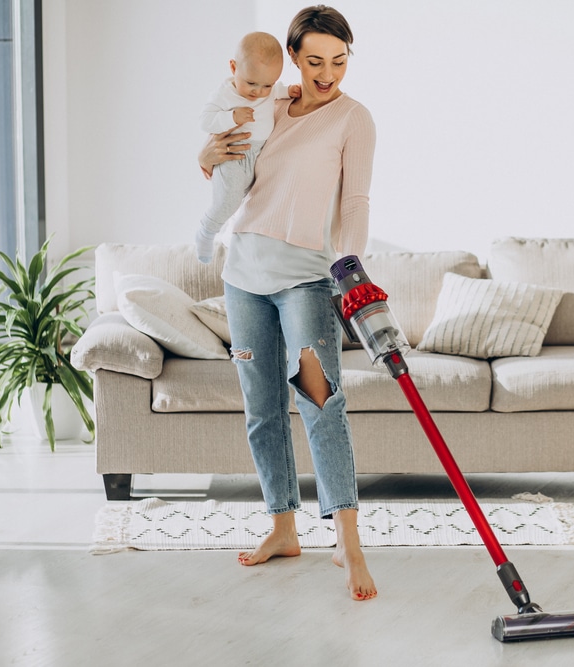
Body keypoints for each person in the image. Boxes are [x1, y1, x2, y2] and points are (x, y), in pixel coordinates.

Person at [197, 5, 377, 602]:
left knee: (322, 401)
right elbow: (229, 171)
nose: (328, 73)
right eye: (316, 60)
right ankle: (283, 527)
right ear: (294, 59)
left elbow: (355, 201)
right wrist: (206, 155)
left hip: (306, 277)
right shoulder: (269, 107)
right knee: (261, 406)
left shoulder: (354, 118)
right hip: (243, 271)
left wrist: (349, 266)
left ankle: (347, 542)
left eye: (340, 61)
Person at [196, 31, 298, 264]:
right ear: (233, 68)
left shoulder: (267, 88)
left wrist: (287, 91)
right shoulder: (225, 94)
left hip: (257, 154)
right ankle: (206, 232)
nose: (258, 92)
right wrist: (232, 117)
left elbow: (276, 91)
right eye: (251, 83)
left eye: (266, 85)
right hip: (234, 153)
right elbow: (205, 120)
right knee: (228, 200)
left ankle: (225, 236)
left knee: (246, 204)